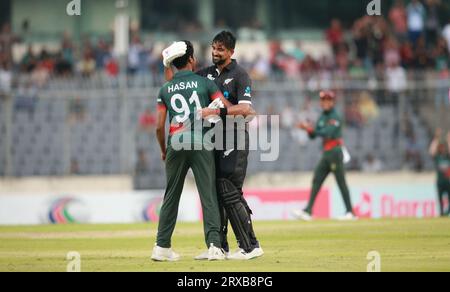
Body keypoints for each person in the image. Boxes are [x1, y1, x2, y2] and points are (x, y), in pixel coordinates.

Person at [163, 31, 264, 260]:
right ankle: (220, 247)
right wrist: (167, 62)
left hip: (234, 136)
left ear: (231, 52)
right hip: (211, 139)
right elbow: (177, 84)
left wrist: (215, 111)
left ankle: (251, 246)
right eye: (214, 48)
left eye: (221, 49)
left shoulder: (240, 75)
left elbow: (246, 110)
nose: (215, 52)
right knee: (216, 190)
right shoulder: (205, 74)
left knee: (229, 189)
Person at [151, 41, 230, 262]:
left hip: (175, 141)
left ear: (174, 64)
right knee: (208, 194)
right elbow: (223, 107)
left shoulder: (165, 89)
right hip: (200, 141)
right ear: (192, 60)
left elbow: (159, 126)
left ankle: (161, 247)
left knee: (171, 196)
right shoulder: (205, 83)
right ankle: (214, 246)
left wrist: (164, 150)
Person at [292, 91, 357, 221]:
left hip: (335, 152)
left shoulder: (335, 116)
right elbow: (314, 136)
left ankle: (350, 212)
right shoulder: (322, 116)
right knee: (317, 179)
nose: (326, 103)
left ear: (333, 102)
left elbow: (328, 132)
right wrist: (308, 129)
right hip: (327, 153)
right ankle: (308, 210)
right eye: (323, 100)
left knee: (341, 182)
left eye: (328, 100)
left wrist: (311, 129)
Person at [429, 129, 450, 217]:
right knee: (440, 201)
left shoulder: (448, 156)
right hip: (440, 182)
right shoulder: (438, 157)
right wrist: (436, 138)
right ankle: (442, 214)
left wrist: (449, 139)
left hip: (448, 181)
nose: (442, 148)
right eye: (440, 147)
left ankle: (446, 213)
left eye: (443, 147)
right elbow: (431, 151)